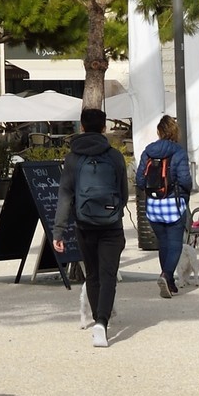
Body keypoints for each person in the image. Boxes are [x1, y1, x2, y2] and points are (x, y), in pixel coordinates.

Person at [54, 107, 130, 346]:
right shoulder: (115, 156)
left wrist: (58, 230)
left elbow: (65, 195)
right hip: (111, 224)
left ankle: (98, 318)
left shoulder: (72, 158)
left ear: (82, 126)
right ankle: (101, 323)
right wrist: (113, 211)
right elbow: (124, 193)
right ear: (104, 128)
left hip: (84, 224)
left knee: (93, 274)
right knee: (109, 275)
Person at [137, 114, 192, 299]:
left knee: (163, 243)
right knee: (175, 244)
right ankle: (166, 275)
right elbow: (185, 179)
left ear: (159, 132)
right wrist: (185, 194)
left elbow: (140, 180)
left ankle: (169, 283)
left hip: (153, 205)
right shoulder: (179, 152)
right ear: (175, 132)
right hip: (173, 204)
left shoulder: (148, 151)